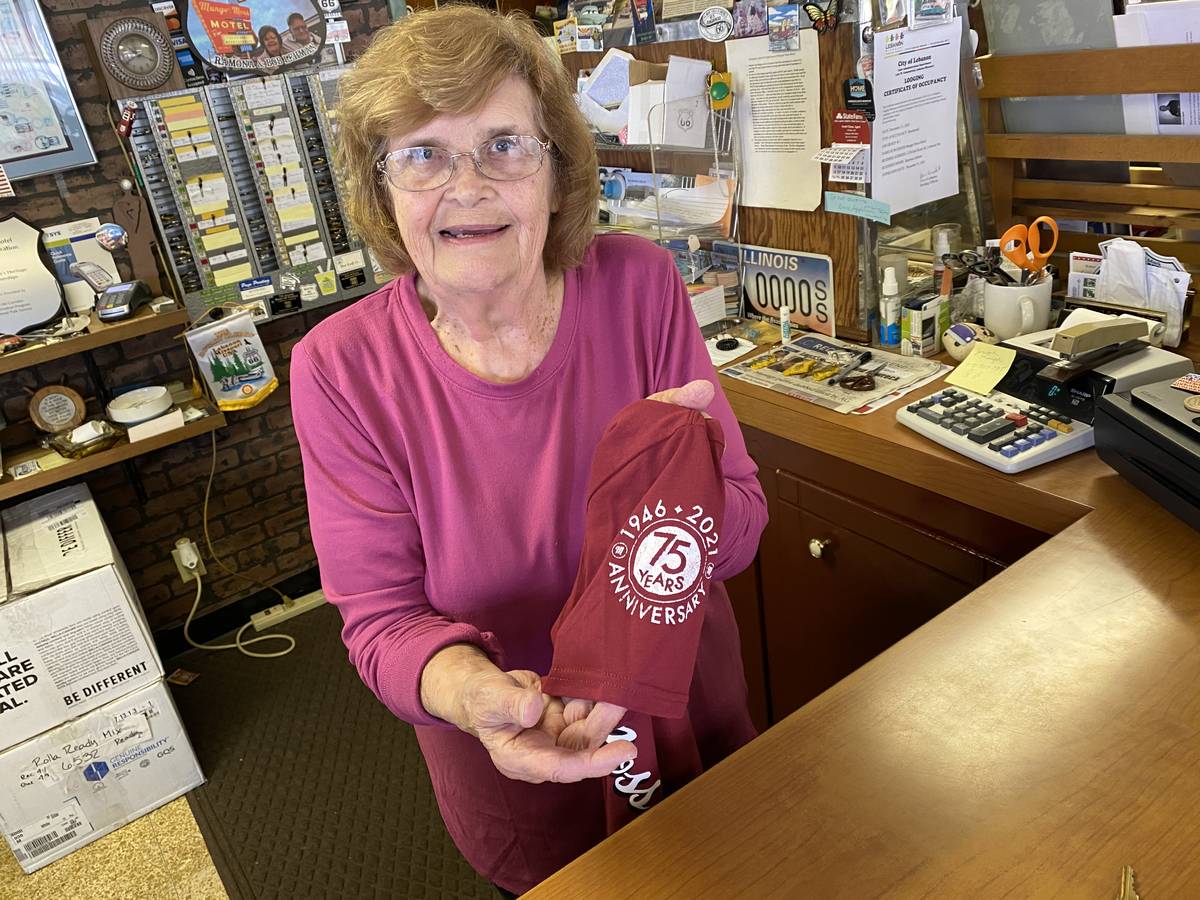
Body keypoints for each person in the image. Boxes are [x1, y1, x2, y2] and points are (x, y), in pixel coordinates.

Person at [290, 6, 767, 896]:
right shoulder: (340, 369)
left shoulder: (639, 285)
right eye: (423, 154)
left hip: (688, 718)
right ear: (382, 189)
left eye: (505, 144)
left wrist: (680, 479)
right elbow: (383, 626)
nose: (467, 185)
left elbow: (740, 531)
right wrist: (481, 699)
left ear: (557, 174)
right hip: (517, 769)